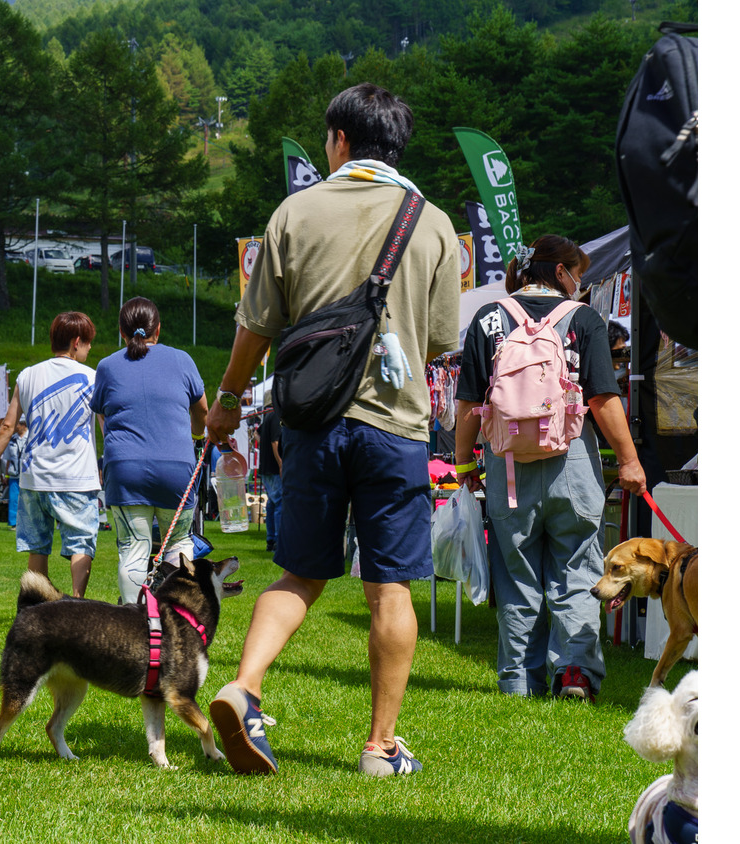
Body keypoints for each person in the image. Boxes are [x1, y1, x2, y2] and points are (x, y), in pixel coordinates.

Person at [204, 83, 460, 777]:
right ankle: (380, 747)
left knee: (300, 573)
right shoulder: (432, 223)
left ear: (340, 141)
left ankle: (244, 687)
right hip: (395, 426)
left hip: (312, 423)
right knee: (391, 587)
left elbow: (256, 325)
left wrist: (227, 399)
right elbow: (439, 340)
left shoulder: (294, 212)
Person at [454, 234, 646, 702]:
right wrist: (628, 459)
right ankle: (576, 673)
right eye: (577, 272)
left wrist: (463, 462)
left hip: (507, 466)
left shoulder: (488, 318)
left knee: (516, 573)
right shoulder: (583, 319)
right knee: (578, 568)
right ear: (560, 273)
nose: (581, 281)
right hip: (572, 460)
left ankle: (519, 680)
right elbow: (602, 399)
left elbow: (469, 404)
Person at [88, 297, 207, 604]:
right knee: (179, 544)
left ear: (120, 331)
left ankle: (134, 621)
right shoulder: (183, 360)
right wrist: (195, 436)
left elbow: (102, 412)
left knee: (133, 548)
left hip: (126, 468)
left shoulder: (107, 366)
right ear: (159, 329)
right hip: (177, 468)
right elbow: (202, 413)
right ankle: (178, 617)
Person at [0, 313, 99, 598]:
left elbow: (8, 426)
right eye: (88, 343)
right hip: (76, 477)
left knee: (37, 545)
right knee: (81, 544)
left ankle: (39, 608)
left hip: (34, 477)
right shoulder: (93, 378)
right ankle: (76, 603)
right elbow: (108, 427)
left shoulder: (28, 374)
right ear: (77, 342)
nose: (90, 348)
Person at [258, 392, 282, 553]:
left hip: (265, 467)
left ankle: (271, 540)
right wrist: (281, 464)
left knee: (272, 503)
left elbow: (256, 434)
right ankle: (280, 542)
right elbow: (275, 442)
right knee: (280, 502)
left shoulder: (266, 418)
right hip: (274, 468)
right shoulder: (275, 417)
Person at [0, 420, 27, 528]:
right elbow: (8, 459)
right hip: (14, 473)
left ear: (23, 425)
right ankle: (13, 523)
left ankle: (26, 522)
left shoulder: (30, 437)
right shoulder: (12, 439)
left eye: (17, 425)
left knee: (27, 500)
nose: (15, 427)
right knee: (13, 499)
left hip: (27, 474)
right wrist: (6, 475)